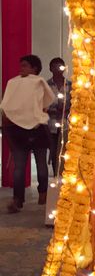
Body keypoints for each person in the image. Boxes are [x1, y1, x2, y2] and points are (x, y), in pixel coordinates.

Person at [1, 54, 55, 213]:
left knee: (40, 164)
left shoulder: (39, 81)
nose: (21, 68)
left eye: (25, 65)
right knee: (19, 167)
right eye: (21, 65)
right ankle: (17, 199)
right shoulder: (13, 82)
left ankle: (43, 193)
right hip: (18, 128)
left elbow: (47, 100)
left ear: (34, 68)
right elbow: (7, 104)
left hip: (36, 127)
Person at [46, 57, 71, 175]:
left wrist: (66, 110)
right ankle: (56, 175)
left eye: (60, 66)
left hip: (66, 124)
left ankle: (65, 174)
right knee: (54, 151)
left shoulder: (70, 85)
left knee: (66, 152)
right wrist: (54, 109)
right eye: (54, 66)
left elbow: (74, 103)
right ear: (50, 69)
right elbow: (43, 103)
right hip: (50, 124)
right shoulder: (46, 85)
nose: (57, 69)